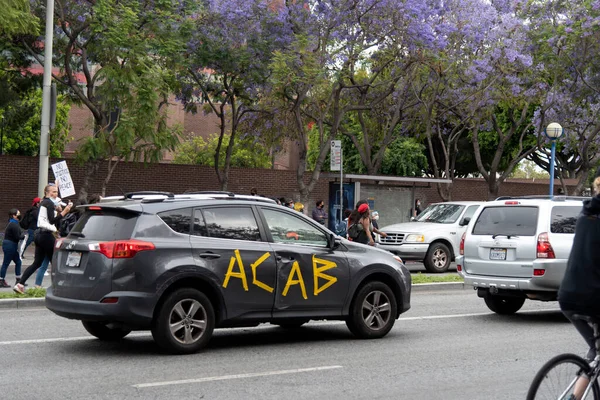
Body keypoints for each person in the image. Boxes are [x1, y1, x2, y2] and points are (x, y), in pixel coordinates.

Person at [557, 167, 600, 400]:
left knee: (596, 353)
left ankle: (574, 398)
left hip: (568, 295)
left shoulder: (585, 214)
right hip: (593, 296)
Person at [13, 184, 73, 294]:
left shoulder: (44, 203)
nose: (55, 194)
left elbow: (50, 218)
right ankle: (60, 288)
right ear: (46, 192)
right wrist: (65, 211)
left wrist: (59, 210)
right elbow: (52, 221)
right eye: (53, 192)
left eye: (56, 192)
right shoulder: (49, 203)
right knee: (55, 263)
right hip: (46, 236)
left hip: (39, 235)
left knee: (37, 263)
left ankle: (20, 284)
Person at [0, 208, 25, 288]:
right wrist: (23, 236)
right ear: (14, 216)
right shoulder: (13, 224)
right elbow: (17, 236)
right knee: (6, 263)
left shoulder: (13, 223)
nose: (19, 215)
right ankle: (1, 280)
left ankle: (18, 280)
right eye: (18, 214)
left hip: (11, 245)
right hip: (10, 246)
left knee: (18, 262)